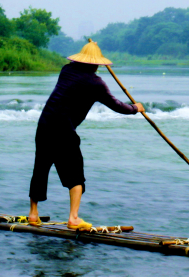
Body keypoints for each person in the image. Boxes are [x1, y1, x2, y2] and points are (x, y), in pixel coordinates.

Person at [27, 39, 145, 231]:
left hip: (45, 124)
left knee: (41, 167)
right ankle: (73, 218)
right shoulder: (96, 83)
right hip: (63, 130)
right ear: (97, 63)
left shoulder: (65, 70)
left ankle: (33, 214)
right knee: (75, 174)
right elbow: (117, 105)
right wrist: (135, 108)